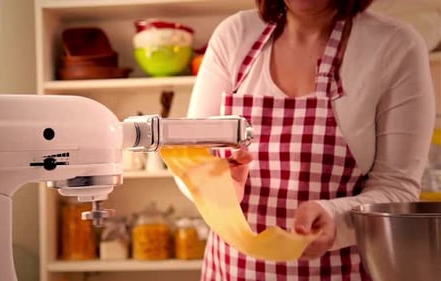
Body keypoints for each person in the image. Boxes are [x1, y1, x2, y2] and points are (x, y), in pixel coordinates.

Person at [185, 0, 435, 280]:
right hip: (231, 270)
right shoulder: (234, 35)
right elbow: (192, 156)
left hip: (342, 271)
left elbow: (397, 189)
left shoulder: (395, 46)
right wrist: (218, 187)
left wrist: (335, 218)